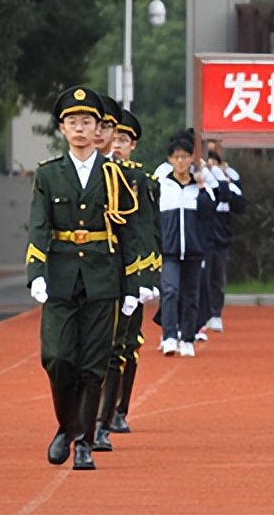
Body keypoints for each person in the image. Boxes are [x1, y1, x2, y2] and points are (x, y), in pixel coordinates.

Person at [26, 86, 145, 470]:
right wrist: (36, 272)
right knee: (58, 357)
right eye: (73, 122)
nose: (80, 129)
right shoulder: (49, 174)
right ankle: (66, 425)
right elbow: (39, 226)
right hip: (60, 275)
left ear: (98, 129)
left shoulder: (115, 177)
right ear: (63, 129)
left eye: (87, 122)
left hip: (102, 276)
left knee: (94, 363)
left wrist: (132, 284)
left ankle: (82, 441)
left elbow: (128, 233)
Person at [91, 97, 160, 453]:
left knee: (124, 346)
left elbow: (145, 231)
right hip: (92, 272)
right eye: (109, 134)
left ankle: (113, 413)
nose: (115, 143)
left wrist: (147, 277)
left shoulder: (138, 181)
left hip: (126, 273)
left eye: (121, 138)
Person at [158, 134, 219, 358]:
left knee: (191, 295)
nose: (181, 162)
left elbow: (209, 213)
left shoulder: (199, 186)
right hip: (169, 249)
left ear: (192, 159)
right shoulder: (162, 186)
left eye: (185, 157)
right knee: (170, 290)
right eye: (177, 157)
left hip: (194, 250)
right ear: (170, 160)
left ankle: (188, 337)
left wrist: (202, 187)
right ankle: (169, 336)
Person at [198, 146, 244, 335]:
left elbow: (239, 204)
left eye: (213, 163)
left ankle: (215, 313)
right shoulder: (199, 184)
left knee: (218, 277)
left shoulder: (227, 184)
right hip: (203, 238)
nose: (210, 166)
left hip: (221, 238)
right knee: (202, 278)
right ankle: (203, 315)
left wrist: (221, 176)